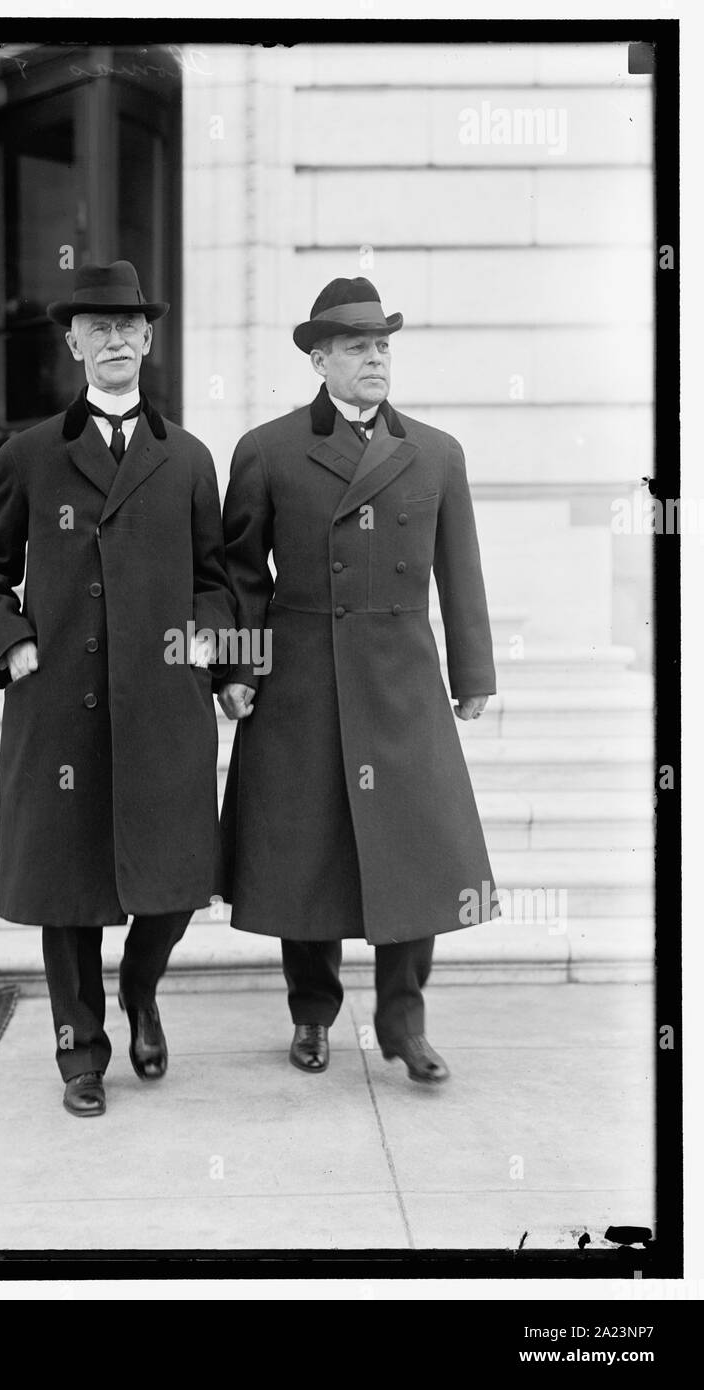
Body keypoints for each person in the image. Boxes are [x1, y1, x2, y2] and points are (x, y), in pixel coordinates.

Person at [0, 261, 235, 1117]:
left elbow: (215, 577)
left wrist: (207, 638)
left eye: (129, 327)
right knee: (68, 885)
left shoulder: (187, 457)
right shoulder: (30, 455)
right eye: (97, 326)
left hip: (162, 706)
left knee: (179, 878)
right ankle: (80, 1050)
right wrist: (13, 646)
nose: (115, 339)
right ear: (73, 342)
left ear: (149, 341)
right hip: (62, 708)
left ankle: (140, 991)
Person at [218, 275, 498, 1084]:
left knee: (415, 852)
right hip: (301, 680)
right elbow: (241, 575)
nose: (375, 358)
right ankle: (312, 1016)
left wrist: (472, 672)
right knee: (303, 854)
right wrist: (238, 669)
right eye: (355, 347)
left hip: (402, 681)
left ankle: (404, 1024)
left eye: (382, 345)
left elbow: (461, 571)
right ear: (319, 362)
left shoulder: (437, 452)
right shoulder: (267, 450)